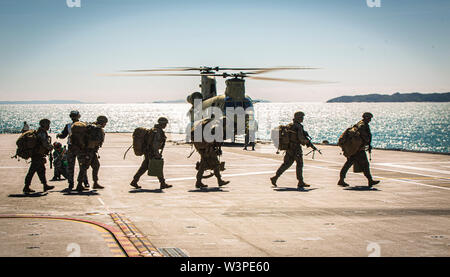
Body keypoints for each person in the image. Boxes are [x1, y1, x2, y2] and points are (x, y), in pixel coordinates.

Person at [270, 111, 313, 189]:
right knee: (299, 164)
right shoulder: (298, 126)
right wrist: (308, 143)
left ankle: (275, 177)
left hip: (289, 148)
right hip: (296, 149)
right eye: (302, 117)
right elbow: (301, 138)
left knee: (286, 164)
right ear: (298, 118)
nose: (303, 119)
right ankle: (300, 182)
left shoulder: (290, 125)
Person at [337, 112, 380, 188]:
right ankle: (370, 180)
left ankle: (341, 180)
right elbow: (365, 137)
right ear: (366, 118)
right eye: (369, 118)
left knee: (348, 164)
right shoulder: (362, 125)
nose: (370, 120)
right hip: (358, 149)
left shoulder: (360, 124)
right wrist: (368, 144)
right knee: (365, 165)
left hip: (356, 148)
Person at [130, 117, 172, 190]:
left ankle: (134, 181)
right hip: (152, 152)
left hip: (148, 152)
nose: (166, 125)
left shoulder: (154, 130)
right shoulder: (158, 132)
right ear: (162, 124)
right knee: (158, 167)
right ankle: (162, 183)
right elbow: (155, 144)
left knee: (144, 167)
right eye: (165, 124)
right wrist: (157, 154)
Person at [192, 118, 230, 189]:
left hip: (202, 147)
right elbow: (214, 139)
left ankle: (199, 182)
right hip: (208, 148)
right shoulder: (217, 127)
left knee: (203, 165)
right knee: (215, 164)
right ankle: (219, 181)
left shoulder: (214, 126)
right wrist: (217, 147)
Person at [56, 110, 88, 191]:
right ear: (79, 116)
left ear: (71, 117)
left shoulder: (68, 126)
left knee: (70, 167)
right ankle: (85, 182)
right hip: (81, 148)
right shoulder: (83, 125)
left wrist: (58, 135)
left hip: (71, 147)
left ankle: (71, 183)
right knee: (82, 166)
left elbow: (63, 135)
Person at [76, 115, 108, 192]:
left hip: (92, 151)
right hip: (88, 151)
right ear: (102, 122)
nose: (105, 124)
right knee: (84, 167)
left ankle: (95, 183)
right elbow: (94, 140)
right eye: (105, 123)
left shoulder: (93, 127)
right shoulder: (96, 129)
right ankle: (79, 184)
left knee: (96, 165)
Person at [23, 119, 55, 194]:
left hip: (37, 154)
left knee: (41, 170)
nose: (48, 126)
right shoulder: (42, 133)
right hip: (37, 155)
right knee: (32, 171)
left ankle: (44, 185)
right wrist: (50, 147)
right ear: (44, 125)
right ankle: (26, 186)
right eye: (47, 125)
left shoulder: (40, 131)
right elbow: (44, 143)